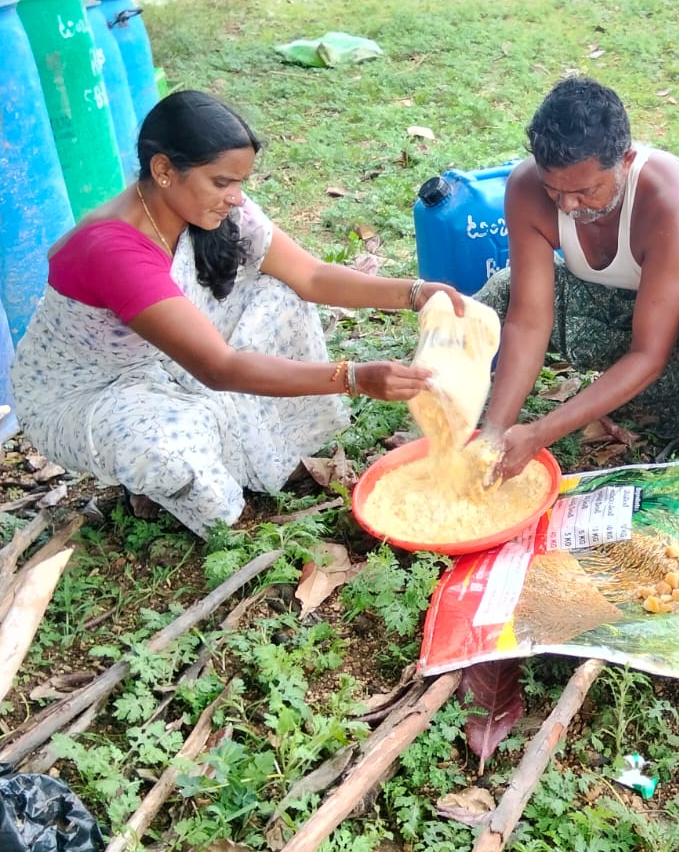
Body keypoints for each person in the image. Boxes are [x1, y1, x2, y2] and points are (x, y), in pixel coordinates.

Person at [12, 91, 462, 536]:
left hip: (162, 358)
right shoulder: (114, 250)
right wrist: (353, 377)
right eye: (222, 182)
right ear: (163, 170)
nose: (235, 197)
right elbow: (219, 368)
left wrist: (415, 293)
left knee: (281, 295)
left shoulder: (210, 208)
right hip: (89, 393)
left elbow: (311, 276)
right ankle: (193, 501)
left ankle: (270, 452)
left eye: (240, 183)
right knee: (164, 444)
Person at [476, 76, 679, 480]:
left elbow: (649, 352)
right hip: (615, 301)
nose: (568, 205)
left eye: (585, 191)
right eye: (554, 191)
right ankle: (642, 393)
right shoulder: (526, 189)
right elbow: (528, 321)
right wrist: (495, 432)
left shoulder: (675, 202)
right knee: (507, 288)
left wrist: (540, 434)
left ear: (627, 161)